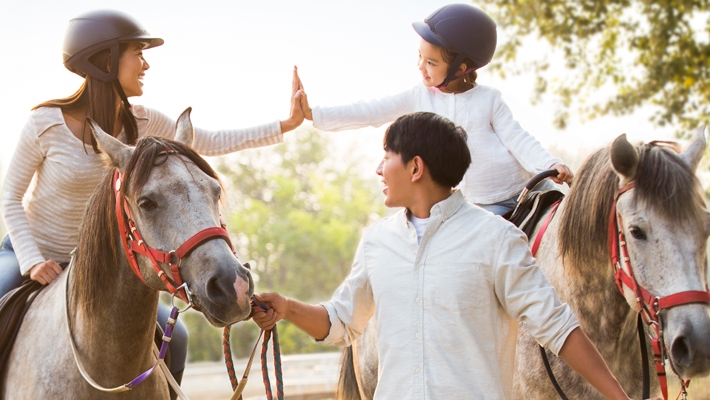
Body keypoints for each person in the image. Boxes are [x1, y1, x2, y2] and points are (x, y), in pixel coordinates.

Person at [0, 9, 304, 392]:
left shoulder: (143, 122)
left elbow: (210, 141)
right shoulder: (45, 123)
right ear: (105, 61)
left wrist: (285, 125)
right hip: (32, 257)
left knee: (176, 339)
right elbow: (10, 198)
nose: (145, 64)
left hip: (101, 271)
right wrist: (31, 261)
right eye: (137, 53)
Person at [252, 112, 648, 399]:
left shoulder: (496, 239)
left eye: (386, 155)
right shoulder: (377, 243)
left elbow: (558, 328)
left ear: (415, 167)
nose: (377, 168)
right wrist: (286, 308)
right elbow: (341, 323)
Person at [295, 3, 572, 215]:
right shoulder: (419, 98)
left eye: (431, 62)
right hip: (485, 204)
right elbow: (371, 111)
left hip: (529, 185)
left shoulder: (489, 99)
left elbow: (517, 138)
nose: (420, 67)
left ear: (460, 68)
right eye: (420, 57)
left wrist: (549, 164)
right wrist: (314, 114)